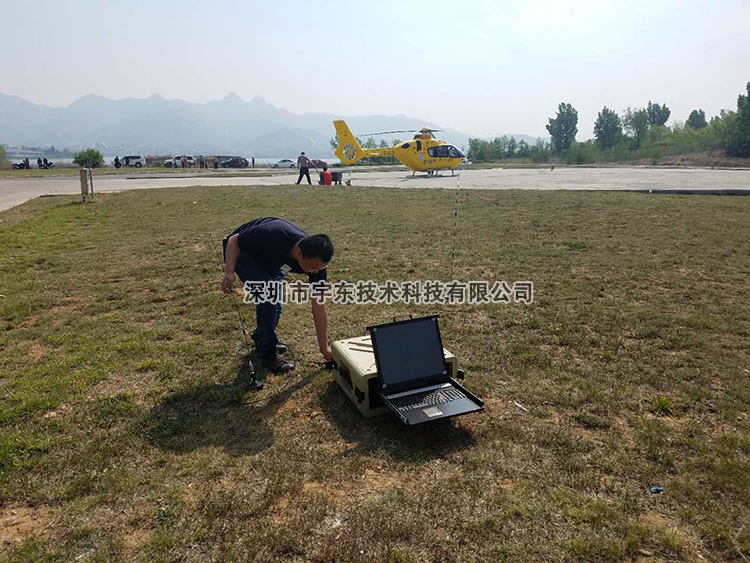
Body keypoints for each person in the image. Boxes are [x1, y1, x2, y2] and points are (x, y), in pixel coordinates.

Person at [222, 218, 334, 373]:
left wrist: (324, 349)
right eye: (313, 267)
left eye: (320, 268)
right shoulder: (273, 233)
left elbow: (319, 307)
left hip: (272, 259)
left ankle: (262, 338)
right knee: (269, 296)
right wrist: (229, 273)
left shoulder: (318, 269)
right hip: (241, 251)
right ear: (299, 254)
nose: (316, 271)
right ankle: (269, 354)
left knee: (275, 303)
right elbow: (234, 241)